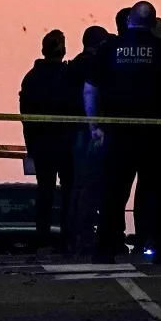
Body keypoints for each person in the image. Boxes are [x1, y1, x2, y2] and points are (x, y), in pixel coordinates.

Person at [82, 1, 161, 262]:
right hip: (156, 134)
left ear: (129, 20)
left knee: (113, 193)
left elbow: (90, 90)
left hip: (117, 132)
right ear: (154, 24)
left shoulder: (108, 50)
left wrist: (94, 126)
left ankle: (106, 247)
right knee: (159, 193)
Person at [19, 30, 78, 252]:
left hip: (43, 143)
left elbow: (26, 115)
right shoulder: (68, 76)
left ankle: (44, 235)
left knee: (45, 191)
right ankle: (66, 235)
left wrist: (31, 145)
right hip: (65, 143)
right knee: (68, 191)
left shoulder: (32, 77)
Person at [66, 25, 113, 256]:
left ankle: (75, 236)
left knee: (77, 186)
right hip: (91, 130)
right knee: (91, 185)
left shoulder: (72, 67)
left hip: (75, 131)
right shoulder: (94, 67)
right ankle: (86, 237)